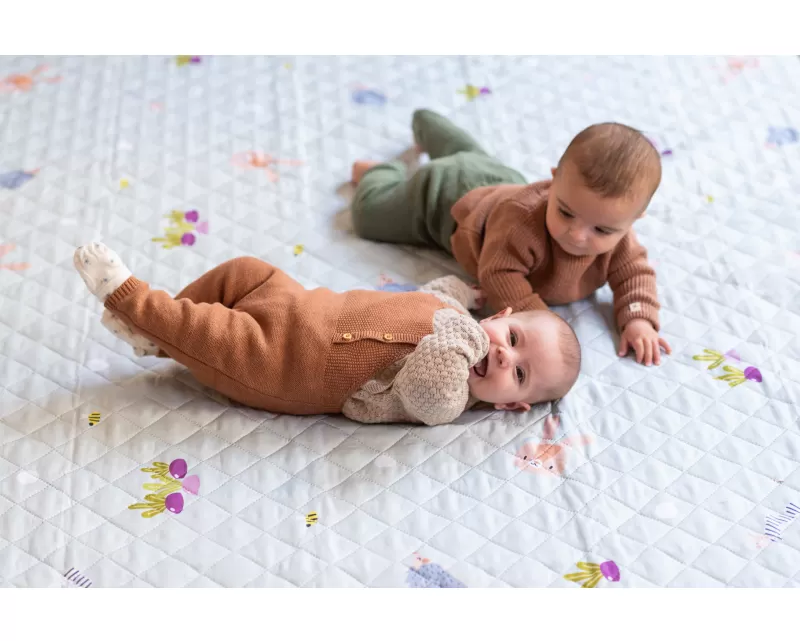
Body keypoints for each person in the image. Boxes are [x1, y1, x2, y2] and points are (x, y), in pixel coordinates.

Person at [73, 243, 581, 426]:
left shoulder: (449, 398)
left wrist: (476, 334)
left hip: (290, 365)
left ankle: (131, 299)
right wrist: (462, 293)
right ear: (502, 314)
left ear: (510, 405)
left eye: (519, 374)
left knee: (215, 333)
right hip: (300, 303)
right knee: (244, 271)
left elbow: (430, 376)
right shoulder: (457, 314)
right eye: (513, 337)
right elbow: (432, 294)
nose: (502, 356)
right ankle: (156, 339)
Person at [351, 111, 671, 366]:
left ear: (633, 220)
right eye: (565, 212)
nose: (576, 234)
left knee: (473, 157)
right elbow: (499, 275)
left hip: (497, 178)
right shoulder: (520, 225)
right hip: (441, 197)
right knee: (369, 217)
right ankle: (383, 172)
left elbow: (635, 275)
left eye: (601, 230)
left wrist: (638, 319)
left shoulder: (621, 241)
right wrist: (543, 322)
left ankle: (431, 127)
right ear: (553, 179)